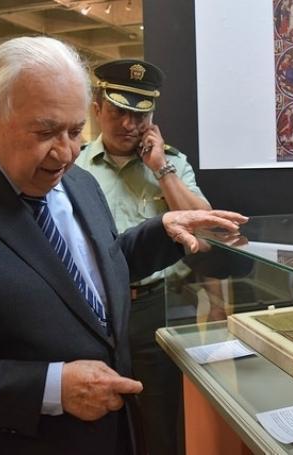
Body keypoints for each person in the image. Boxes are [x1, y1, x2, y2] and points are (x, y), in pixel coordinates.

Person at [0, 36, 246, 455]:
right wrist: (52, 387)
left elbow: (97, 269)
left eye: (75, 131)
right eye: (47, 131)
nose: (67, 152)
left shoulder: (78, 181)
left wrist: (161, 229)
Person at [76, 59, 211, 455]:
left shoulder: (171, 163)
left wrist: (161, 170)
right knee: (98, 413)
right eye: (118, 111)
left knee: (161, 418)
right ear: (97, 108)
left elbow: (204, 228)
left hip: (156, 307)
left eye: (140, 113)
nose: (129, 124)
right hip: (95, 309)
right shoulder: (75, 168)